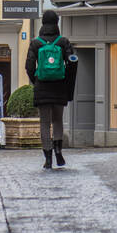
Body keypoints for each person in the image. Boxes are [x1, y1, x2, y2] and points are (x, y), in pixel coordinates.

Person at [24, 9, 78, 169]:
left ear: (43, 23)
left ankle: (48, 158)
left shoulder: (35, 43)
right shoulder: (63, 42)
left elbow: (29, 66)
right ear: (56, 23)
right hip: (59, 87)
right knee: (58, 120)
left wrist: (37, 80)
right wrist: (65, 81)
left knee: (45, 123)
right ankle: (58, 152)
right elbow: (72, 63)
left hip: (42, 87)